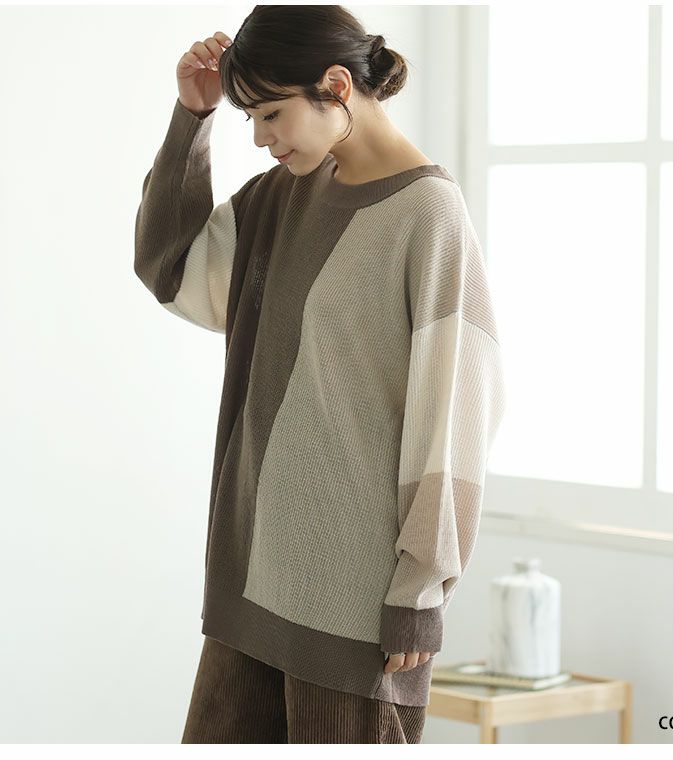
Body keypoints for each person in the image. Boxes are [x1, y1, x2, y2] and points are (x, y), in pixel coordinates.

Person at [134, 4, 506, 744]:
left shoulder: (428, 214)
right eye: (250, 119)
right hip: (251, 582)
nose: (261, 139)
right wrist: (192, 116)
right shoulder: (282, 196)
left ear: (336, 86)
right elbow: (169, 267)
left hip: (353, 604)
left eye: (272, 114)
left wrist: (422, 588)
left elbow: (456, 414)